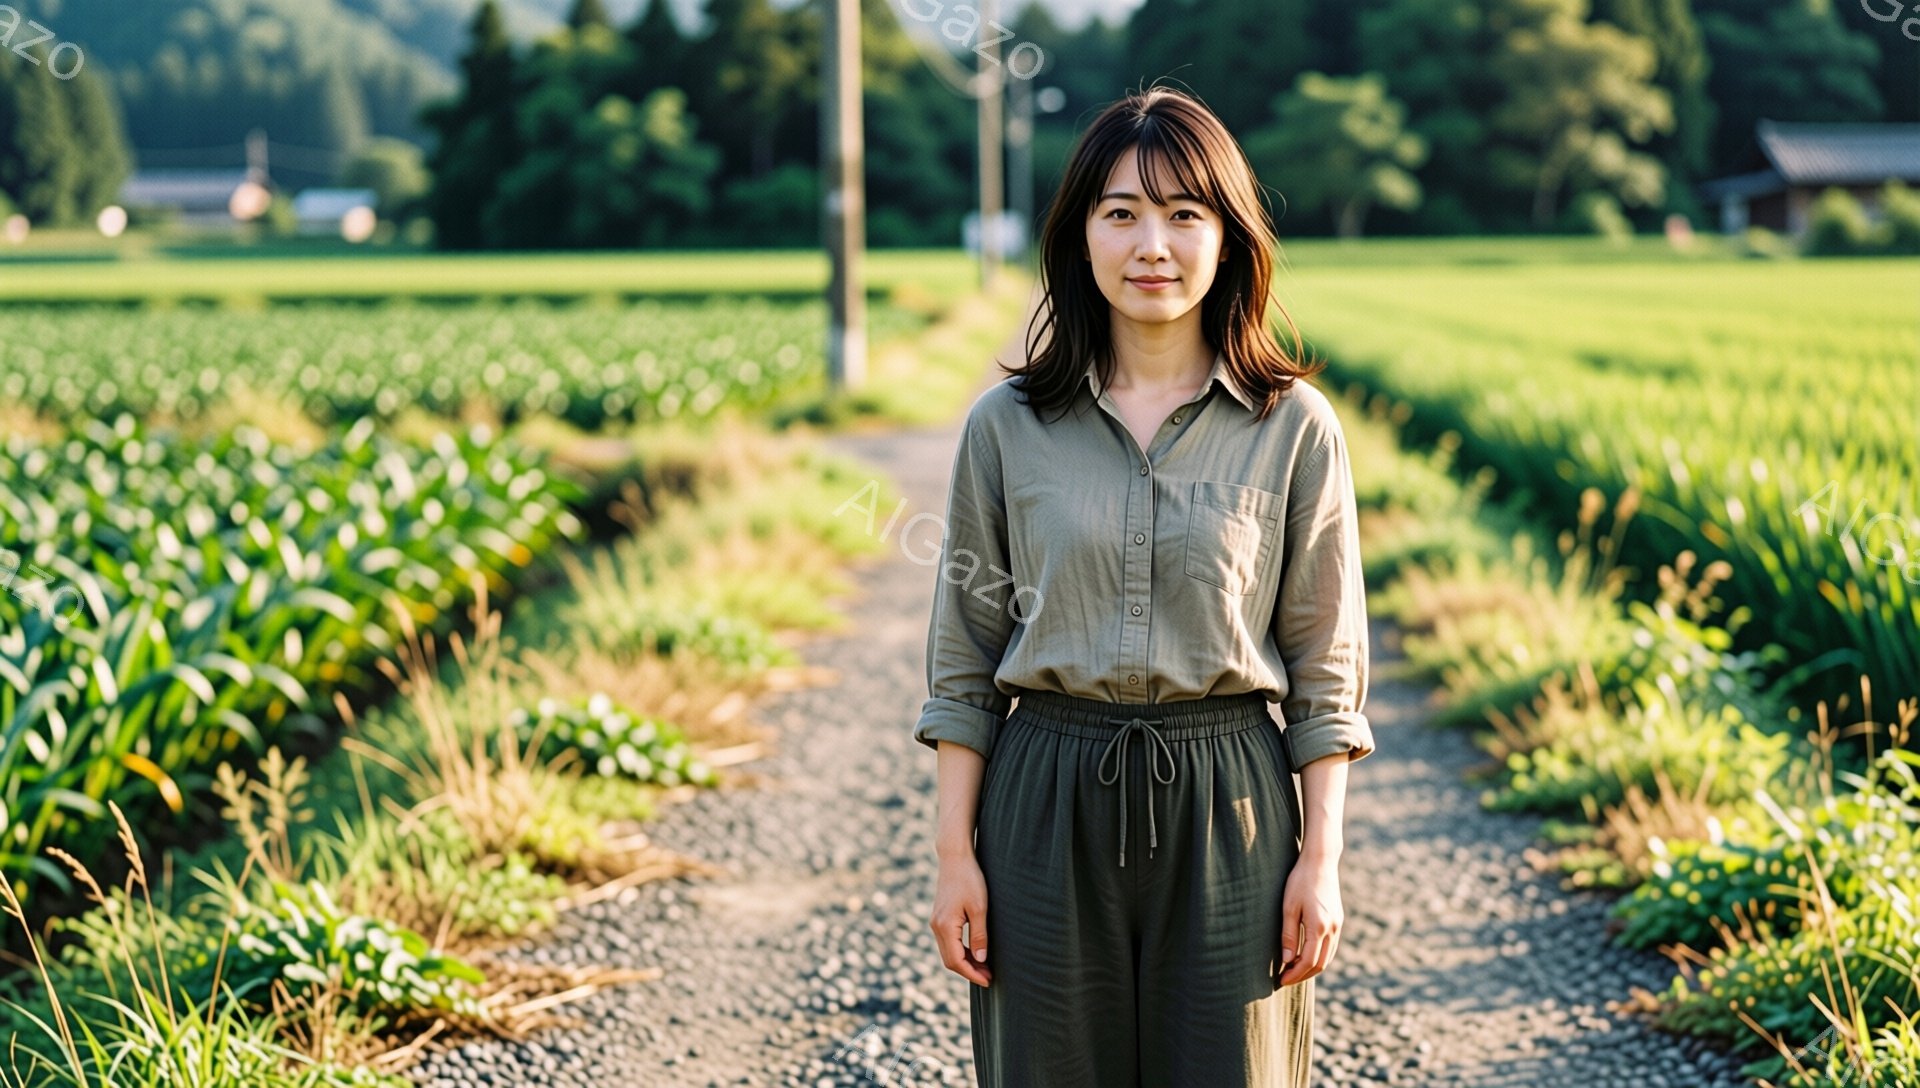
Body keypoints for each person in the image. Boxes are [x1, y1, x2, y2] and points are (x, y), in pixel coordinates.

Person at [914, 85, 1376, 1087]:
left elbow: (1325, 665)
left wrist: (1321, 858)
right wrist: (955, 853)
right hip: (1043, 794)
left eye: (1183, 213)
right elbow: (963, 655)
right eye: (1120, 212)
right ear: (1081, 235)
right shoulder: (1006, 424)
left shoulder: (1293, 426)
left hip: (1231, 802)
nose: (1151, 245)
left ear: (1229, 237)